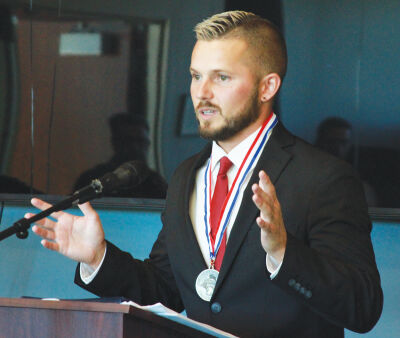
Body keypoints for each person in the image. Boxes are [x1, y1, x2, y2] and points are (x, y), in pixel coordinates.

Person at [27, 11, 383, 337]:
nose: (202, 93)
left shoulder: (325, 177)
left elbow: (363, 307)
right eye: (196, 76)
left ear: (267, 87)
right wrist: (98, 258)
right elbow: (167, 287)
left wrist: (283, 253)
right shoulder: (187, 175)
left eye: (222, 77)